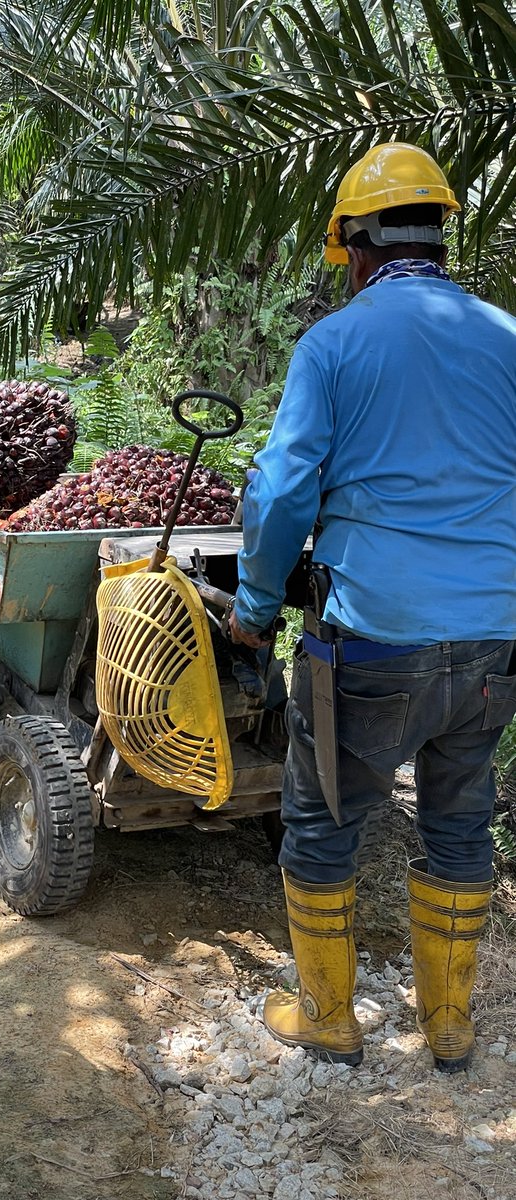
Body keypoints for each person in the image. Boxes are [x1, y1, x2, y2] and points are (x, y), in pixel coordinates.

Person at [227, 142, 516, 1072]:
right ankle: (449, 1025)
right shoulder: (509, 338)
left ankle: (330, 1017)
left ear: (354, 244)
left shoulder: (336, 343)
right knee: (461, 825)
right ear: (440, 235)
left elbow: (278, 493)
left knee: (324, 824)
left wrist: (258, 603)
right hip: (490, 640)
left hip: (372, 638)